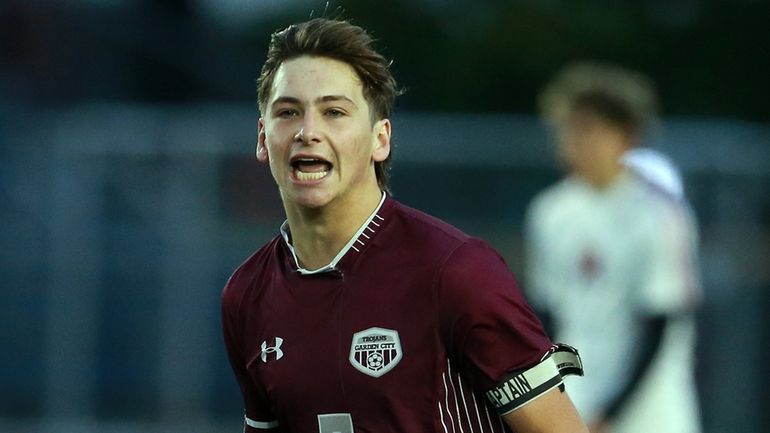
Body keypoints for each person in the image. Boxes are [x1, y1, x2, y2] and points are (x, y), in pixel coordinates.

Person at [221, 18, 587, 433]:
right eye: (288, 112)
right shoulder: (246, 294)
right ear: (262, 137)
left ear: (381, 139)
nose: (308, 132)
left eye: (334, 112)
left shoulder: (456, 270)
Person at [524, 62, 702, 433]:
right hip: (577, 400)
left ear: (626, 136)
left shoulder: (658, 215)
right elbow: (546, 317)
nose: (573, 142)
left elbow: (660, 323)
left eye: (588, 129)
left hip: (650, 412)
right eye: (567, 130)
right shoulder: (550, 211)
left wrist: (611, 413)